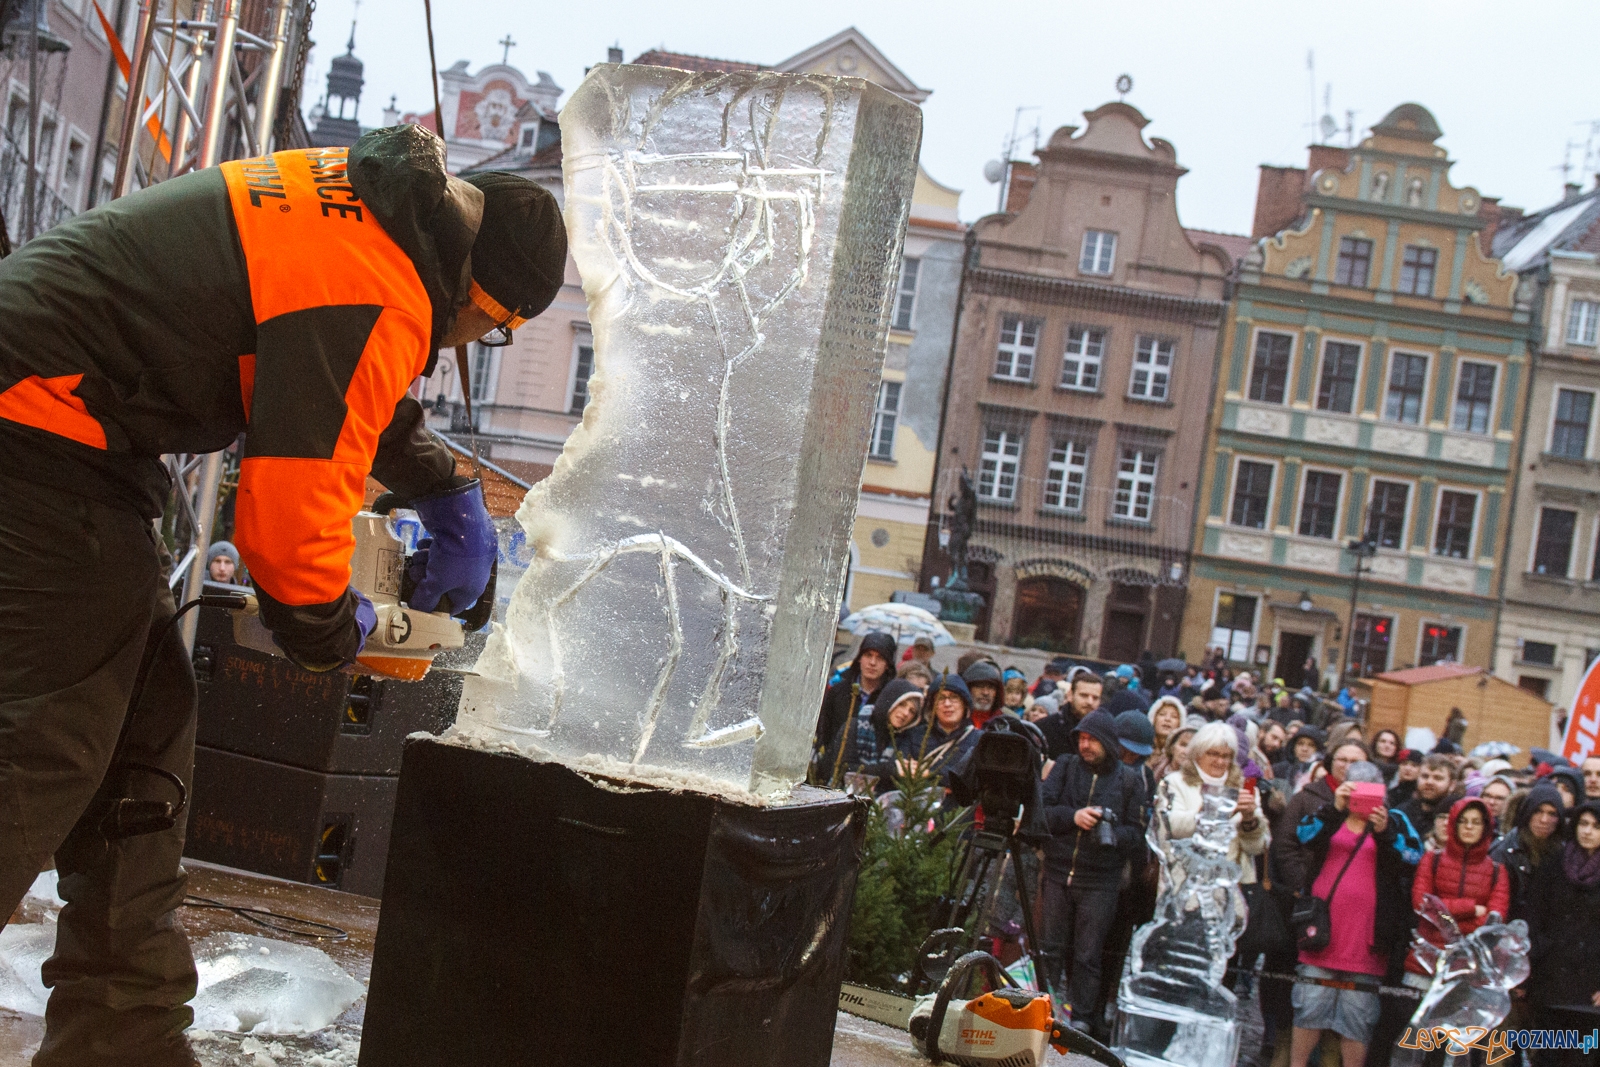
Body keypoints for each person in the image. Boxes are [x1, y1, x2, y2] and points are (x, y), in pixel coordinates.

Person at [0, 125, 559, 1066]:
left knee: (146, 738)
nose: (468, 345)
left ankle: (122, 1040)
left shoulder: (363, 207)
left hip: (68, 436)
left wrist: (437, 479)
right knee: (43, 746)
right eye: (491, 331)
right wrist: (343, 635)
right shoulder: (381, 285)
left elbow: (327, 370)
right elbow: (288, 531)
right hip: (38, 430)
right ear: (481, 298)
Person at [1288, 760, 1417, 1067]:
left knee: (1358, 1020)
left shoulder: (1394, 819)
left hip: (1367, 939)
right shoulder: (1331, 814)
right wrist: (1335, 808)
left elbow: (1413, 856)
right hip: (1321, 934)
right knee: (1309, 1011)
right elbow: (1304, 836)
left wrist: (1385, 831)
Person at [1038, 709, 1147, 1037]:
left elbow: (1137, 834)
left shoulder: (1129, 780)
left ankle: (1082, 1017)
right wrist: (1073, 817)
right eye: (1081, 738)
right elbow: (1042, 811)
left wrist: (1109, 829)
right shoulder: (1066, 766)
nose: (1085, 745)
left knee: (1088, 954)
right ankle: (1040, 1006)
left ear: (1108, 743)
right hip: (1058, 871)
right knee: (1049, 949)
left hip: (1101, 880)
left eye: (1092, 739)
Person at [1403, 798, 1509, 991]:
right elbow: (1422, 905)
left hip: (1469, 970)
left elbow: (1493, 922)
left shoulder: (1497, 871)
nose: (1469, 827)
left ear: (1485, 828)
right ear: (1454, 823)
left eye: (1476, 822)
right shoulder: (1431, 860)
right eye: (1463, 821)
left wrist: (1443, 920)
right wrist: (1472, 909)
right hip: (1425, 966)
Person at [1525, 800, 1600, 1066]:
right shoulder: (1555, 863)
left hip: (1591, 989)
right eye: (1583, 824)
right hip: (1550, 982)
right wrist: (1536, 960)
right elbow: (1534, 916)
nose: (1588, 831)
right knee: (1546, 1056)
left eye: (1596, 826)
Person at [1157, 722, 1268, 879]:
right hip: (1187, 879)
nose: (1220, 761)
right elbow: (1170, 828)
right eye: (1213, 754)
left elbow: (1255, 848)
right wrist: (1219, 808)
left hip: (1232, 882)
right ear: (1198, 753)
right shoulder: (1174, 783)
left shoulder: (1244, 789)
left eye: (1226, 756)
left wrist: (1250, 820)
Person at [814, 631, 897, 780]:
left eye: (880, 658)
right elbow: (824, 731)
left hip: (871, 776)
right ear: (859, 658)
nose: (872, 663)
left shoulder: (890, 698)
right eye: (868, 655)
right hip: (832, 770)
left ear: (888, 664)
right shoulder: (839, 691)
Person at [1489, 781, 1563, 921]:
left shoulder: (1564, 852)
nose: (1544, 820)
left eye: (1552, 813)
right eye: (1538, 811)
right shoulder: (1504, 850)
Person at [900, 673, 977, 777]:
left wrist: (930, 773)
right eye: (940, 698)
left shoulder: (978, 740)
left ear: (964, 704)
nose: (947, 704)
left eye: (954, 697)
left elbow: (972, 778)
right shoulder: (914, 735)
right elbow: (903, 768)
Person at [1036, 670, 1104, 758]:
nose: (1090, 702)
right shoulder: (1044, 728)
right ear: (1070, 695)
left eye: (1095, 698)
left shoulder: (1103, 733)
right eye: (1084, 695)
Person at [1396, 754, 1458, 843]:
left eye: (1438, 778)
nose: (1429, 782)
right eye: (1425, 776)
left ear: (1452, 785)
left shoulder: (1458, 818)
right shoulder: (1401, 814)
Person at [962, 660, 1009, 728]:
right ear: (968, 689)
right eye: (980, 686)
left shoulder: (1005, 724)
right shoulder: (954, 721)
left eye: (991, 687)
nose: (985, 692)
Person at [1147, 695, 1184, 761]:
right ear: (1153, 719)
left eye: (1174, 716)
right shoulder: (1143, 748)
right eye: (1162, 714)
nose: (1167, 719)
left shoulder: (1181, 756)